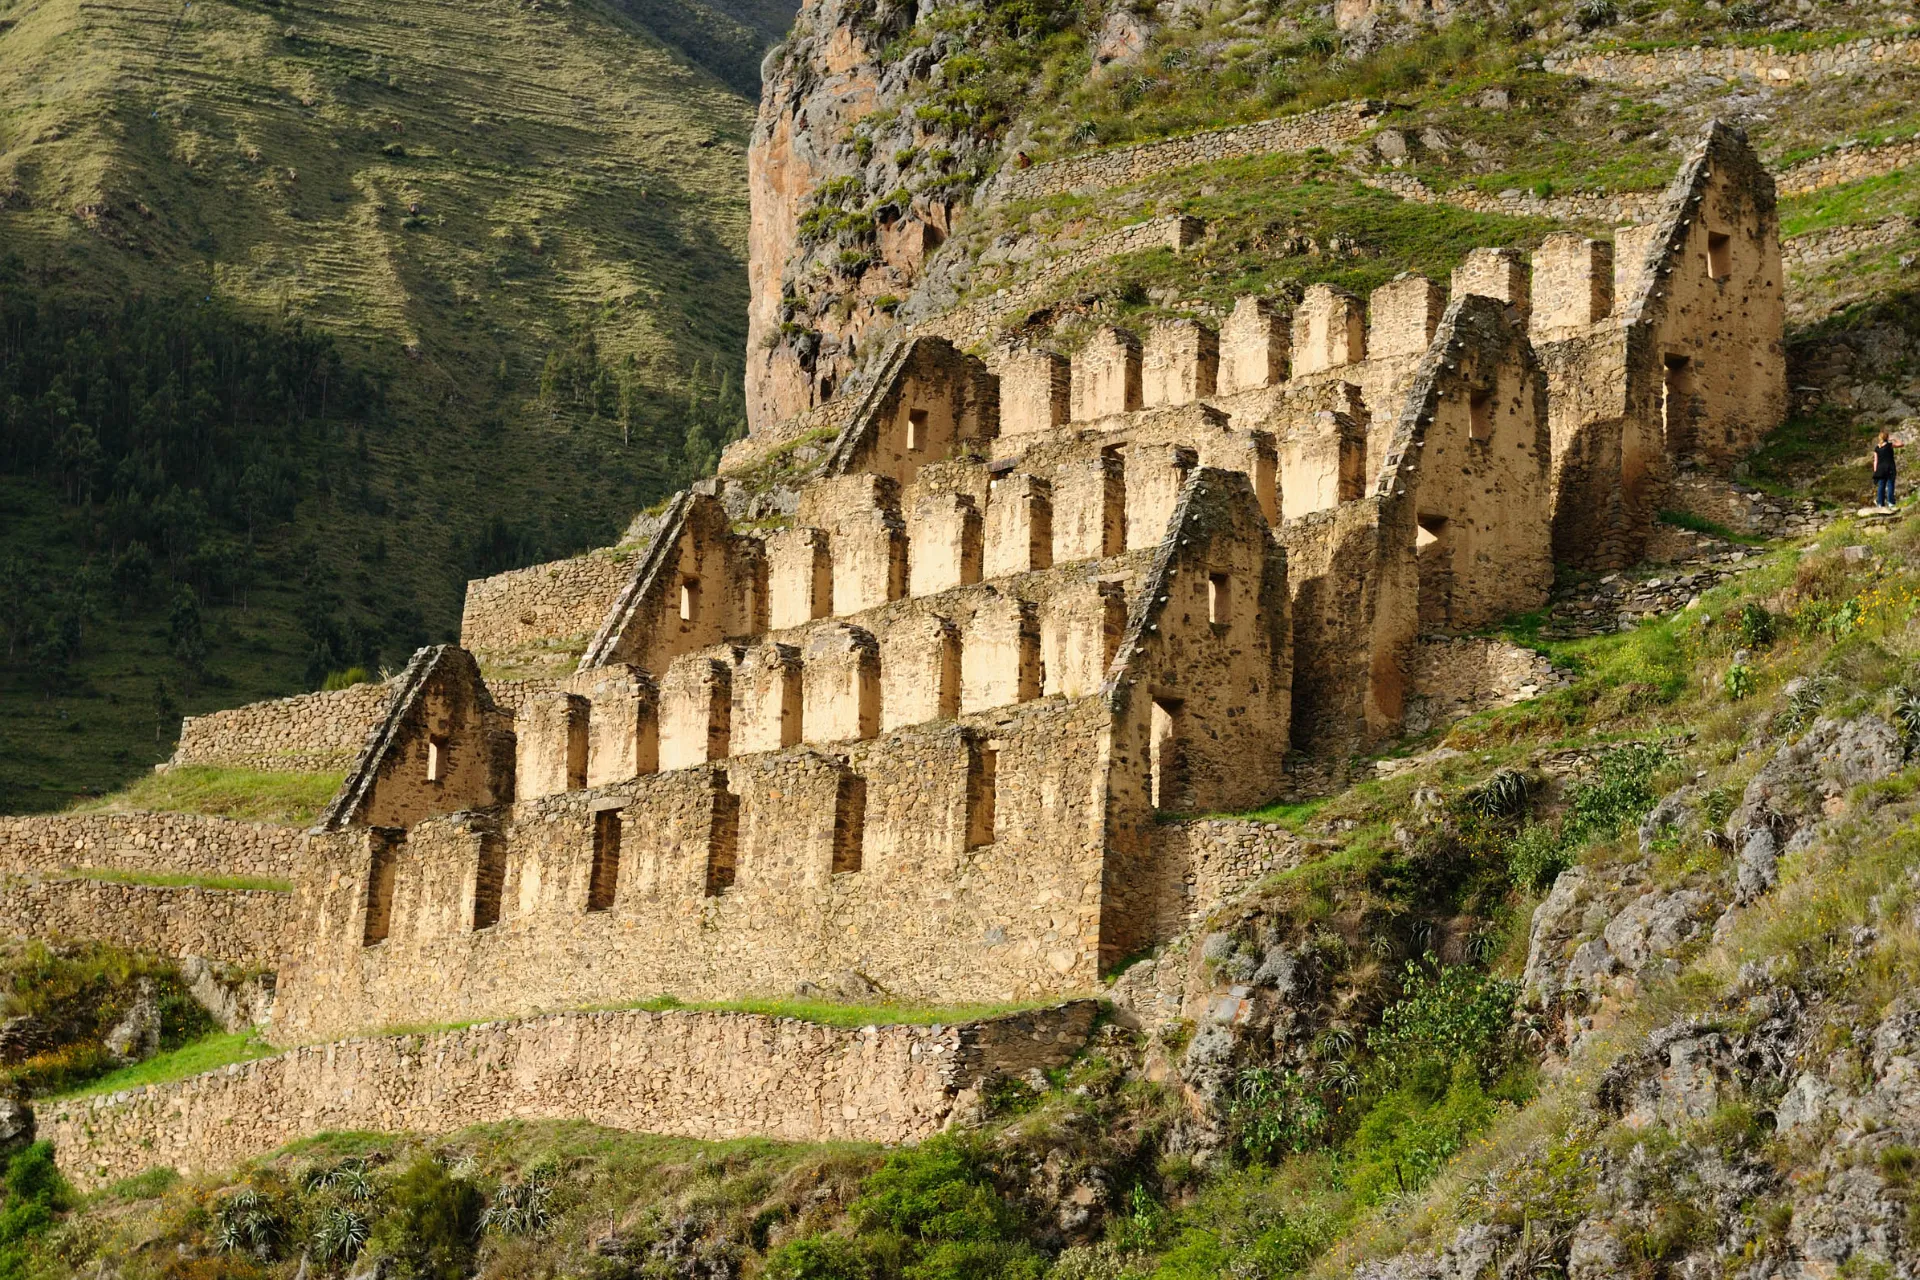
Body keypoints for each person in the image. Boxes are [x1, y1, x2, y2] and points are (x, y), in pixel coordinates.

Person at [1872, 429, 1904, 508]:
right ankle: (1890, 502)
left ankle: (1880, 503)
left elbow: (1875, 461)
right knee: (1890, 485)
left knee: (1881, 486)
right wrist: (1894, 438)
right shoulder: (1889, 445)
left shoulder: (1877, 448)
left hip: (1880, 469)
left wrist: (1875, 471)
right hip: (1890, 467)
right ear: (1887, 437)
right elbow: (1901, 444)